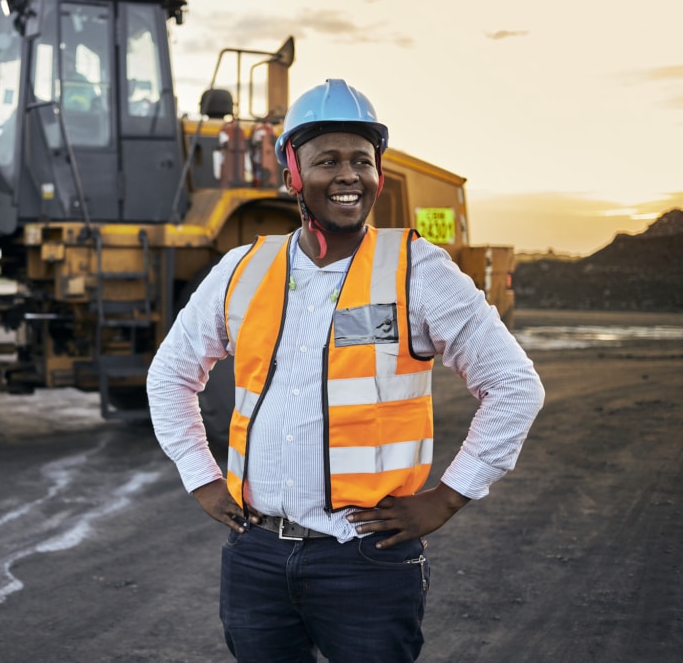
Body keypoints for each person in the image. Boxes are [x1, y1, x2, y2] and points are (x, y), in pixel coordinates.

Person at [146, 79, 545, 662]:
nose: (348, 175)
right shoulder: (241, 270)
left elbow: (513, 385)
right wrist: (201, 477)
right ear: (292, 173)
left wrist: (447, 498)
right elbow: (170, 375)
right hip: (257, 556)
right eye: (327, 160)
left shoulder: (418, 270)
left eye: (362, 160)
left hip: (366, 562)